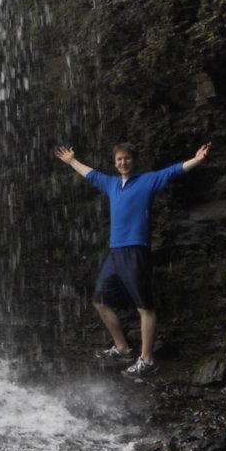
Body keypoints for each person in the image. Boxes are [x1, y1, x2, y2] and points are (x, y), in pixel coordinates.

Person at [56, 141, 212, 376]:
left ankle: (147, 360)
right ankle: (122, 347)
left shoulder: (147, 181)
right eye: (119, 159)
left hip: (136, 250)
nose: (123, 162)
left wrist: (197, 160)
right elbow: (91, 174)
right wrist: (71, 162)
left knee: (144, 308)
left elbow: (172, 171)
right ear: (115, 162)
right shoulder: (110, 184)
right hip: (115, 252)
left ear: (133, 160)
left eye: (127, 158)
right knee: (99, 300)